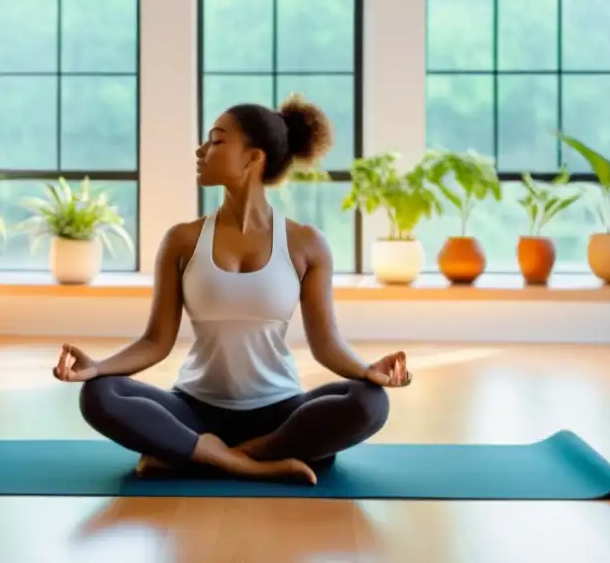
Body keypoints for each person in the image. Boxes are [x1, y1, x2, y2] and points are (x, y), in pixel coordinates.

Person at [54, 95, 412, 485]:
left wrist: (366, 371)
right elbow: (156, 341)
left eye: (216, 140)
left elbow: (326, 343)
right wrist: (98, 368)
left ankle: (213, 454)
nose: (201, 150)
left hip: (279, 413)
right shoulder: (182, 240)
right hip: (194, 410)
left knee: (369, 402)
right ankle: (245, 464)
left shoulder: (305, 243)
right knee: (99, 394)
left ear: (253, 158)